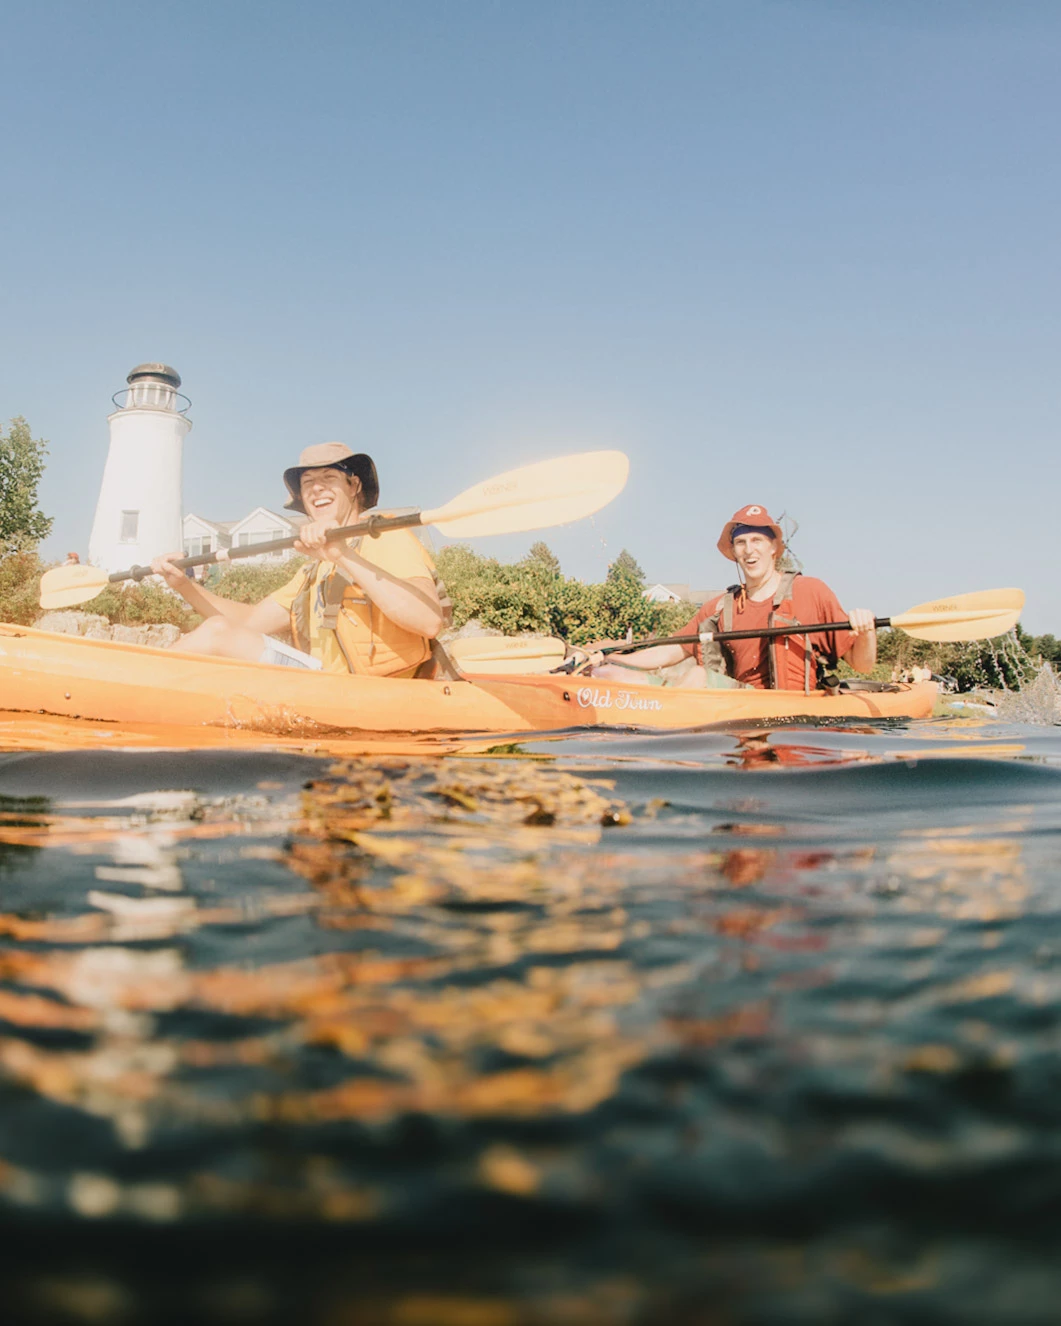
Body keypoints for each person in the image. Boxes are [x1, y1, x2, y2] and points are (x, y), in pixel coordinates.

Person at [151, 442, 444, 675]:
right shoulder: (314, 569)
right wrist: (183, 585)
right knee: (217, 631)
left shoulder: (386, 537)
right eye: (308, 482)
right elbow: (249, 622)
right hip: (321, 683)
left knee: (217, 632)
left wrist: (343, 555)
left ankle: (143, 680)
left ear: (354, 486)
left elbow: (429, 621)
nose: (316, 488)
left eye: (329, 478)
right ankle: (145, 681)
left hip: (378, 693)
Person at [586, 504, 876, 691]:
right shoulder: (719, 608)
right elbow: (669, 651)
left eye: (757, 540)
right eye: (741, 542)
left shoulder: (811, 591)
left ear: (774, 548)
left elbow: (862, 665)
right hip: (735, 708)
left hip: (788, 712)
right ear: (734, 552)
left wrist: (866, 632)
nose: (749, 550)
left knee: (697, 676)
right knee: (608, 674)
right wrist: (608, 657)